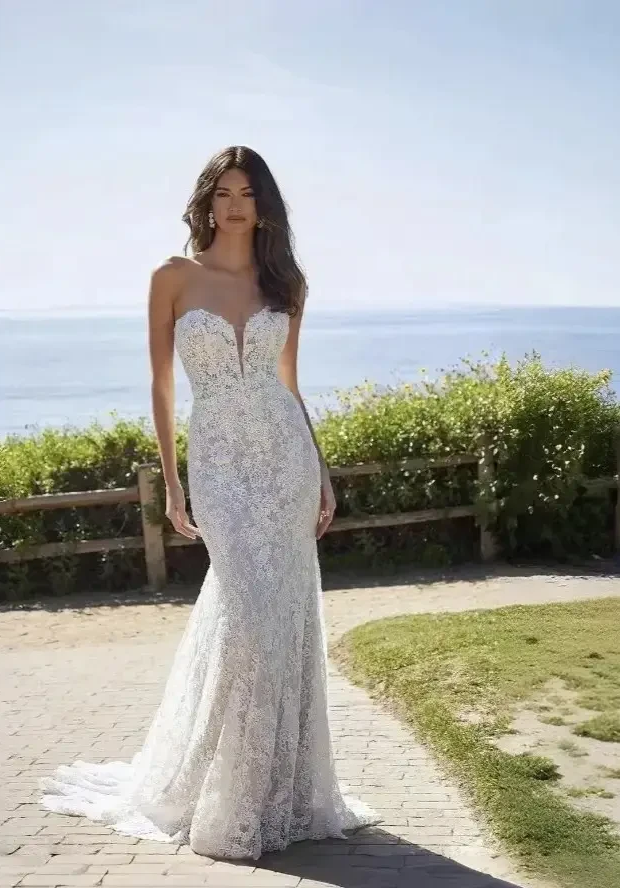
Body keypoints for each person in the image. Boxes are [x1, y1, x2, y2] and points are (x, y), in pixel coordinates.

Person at [40, 146, 376, 860]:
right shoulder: (173, 278)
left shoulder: (285, 284)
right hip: (220, 465)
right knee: (248, 615)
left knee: (281, 623)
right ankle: (220, 786)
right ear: (207, 200)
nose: (234, 204)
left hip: (285, 460)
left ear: (263, 207)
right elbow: (162, 388)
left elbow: (290, 383)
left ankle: (271, 793)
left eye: (247, 192)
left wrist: (321, 472)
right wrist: (172, 479)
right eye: (223, 191)